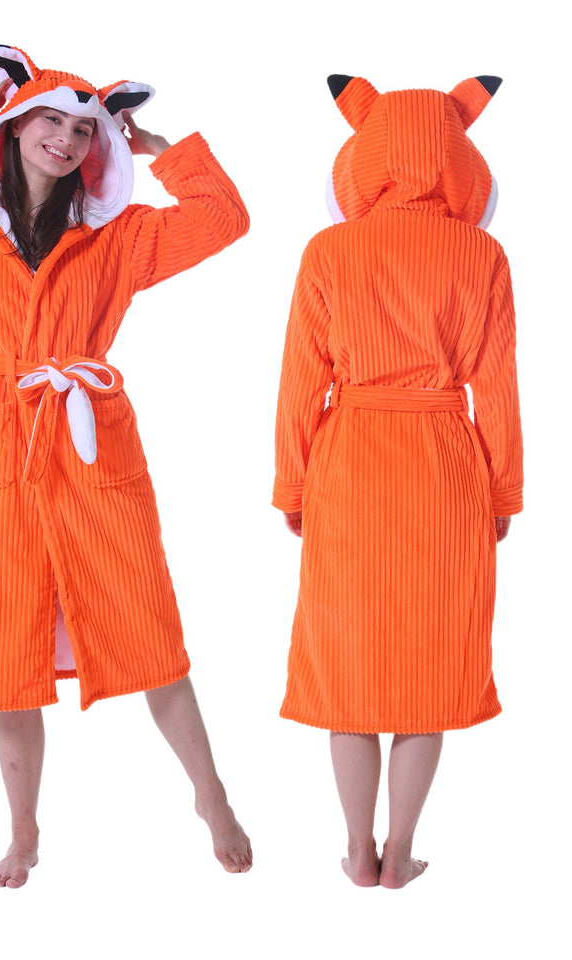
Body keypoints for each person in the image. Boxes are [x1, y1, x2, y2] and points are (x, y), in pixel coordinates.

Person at [0, 44, 252, 887]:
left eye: (85, 130)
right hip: (0, 442)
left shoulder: (118, 239)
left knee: (147, 628)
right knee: (6, 650)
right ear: (15, 127)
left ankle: (211, 795)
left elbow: (224, 219)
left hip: (91, 444)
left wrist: (161, 149)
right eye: (50, 119)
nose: (68, 138)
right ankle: (24, 833)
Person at [273, 75, 522, 889]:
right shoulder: (483, 255)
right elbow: (498, 385)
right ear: (457, 158)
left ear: (368, 154)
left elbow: (299, 382)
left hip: (350, 462)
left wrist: (292, 485)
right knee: (427, 666)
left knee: (348, 669)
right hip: (445, 466)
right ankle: (401, 851)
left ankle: (357, 848)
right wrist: (503, 491)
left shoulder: (328, 252)